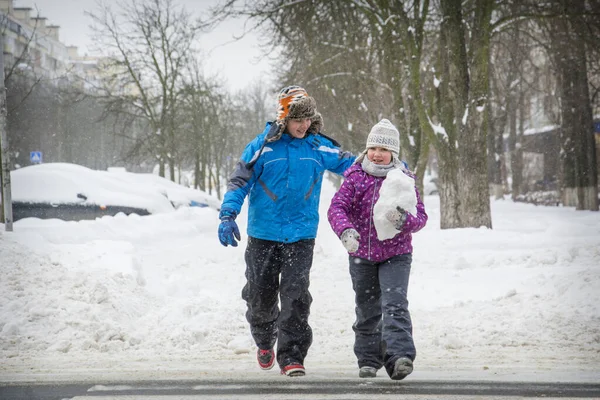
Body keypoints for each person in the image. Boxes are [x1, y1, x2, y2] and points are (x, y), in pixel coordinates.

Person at [217, 85, 355, 377]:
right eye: (297, 119)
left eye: (308, 119)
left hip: (301, 235)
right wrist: (228, 214)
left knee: (296, 296)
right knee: (260, 297)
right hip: (263, 234)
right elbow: (240, 181)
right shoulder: (262, 146)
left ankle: (292, 356)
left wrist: (392, 168)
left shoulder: (318, 146)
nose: (303, 125)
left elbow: (355, 165)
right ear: (284, 118)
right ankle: (264, 340)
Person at [327, 119, 428, 380]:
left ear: (393, 154)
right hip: (361, 254)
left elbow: (421, 217)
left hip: (396, 254)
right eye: (373, 148)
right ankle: (369, 359)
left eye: (383, 149)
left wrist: (405, 221)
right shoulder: (354, 177)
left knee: (395, 305)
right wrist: (345, 231)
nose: (377, 154)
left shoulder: (402, 180)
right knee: (367, 308)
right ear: (366, 150)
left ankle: (400, 358)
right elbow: (337, 208)